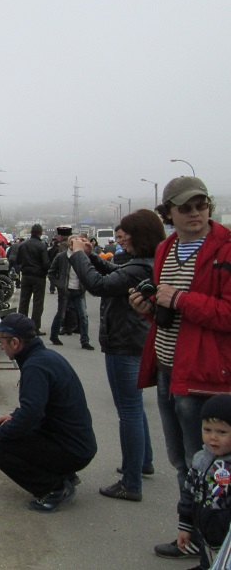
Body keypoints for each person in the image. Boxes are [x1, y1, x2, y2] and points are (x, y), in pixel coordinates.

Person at [130, 176, 231, 561]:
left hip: (204, 374)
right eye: (186, 207)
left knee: (205, 462)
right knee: (181, 462)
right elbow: (167, 312)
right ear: (168, 212)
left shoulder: (225, 249)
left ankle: (215, 547)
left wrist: (182, 299)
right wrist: (149, 309)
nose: (195, 213)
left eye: (201, 205)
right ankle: (191, 536)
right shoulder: (166, 249)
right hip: (168, 369)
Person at [69, 209, 167, 503]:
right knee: (134, 408)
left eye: (126, 234)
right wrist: (92, 256)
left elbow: (99, 286)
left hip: (124, 342)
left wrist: (77, 256)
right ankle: (142, 462)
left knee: (129, 411)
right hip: (133, 339)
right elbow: (116, 277)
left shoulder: (140, 266)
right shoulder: (146, 264)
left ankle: (131, 480)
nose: (122, 239)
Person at [0, 313, 97, 512]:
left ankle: (53, 488)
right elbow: (38, 409)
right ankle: (64, 474)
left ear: (15, 342)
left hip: (72, 449)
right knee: (8, 427)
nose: (0, 345)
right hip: (77, 443)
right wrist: (14, 417)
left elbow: (32, 415)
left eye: (1, 340)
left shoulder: (35, 366)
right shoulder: (44, 357)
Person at [176, 395, 231, 570]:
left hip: (226, 539)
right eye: (207, 430)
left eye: (222, 432)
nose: (213, 437)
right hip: (204, 534)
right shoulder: (201, 459)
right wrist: (185, 526)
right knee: (207, 561)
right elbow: (189, 492)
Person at [47, 240, 94, 351]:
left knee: (83, 316)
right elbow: (51, 272)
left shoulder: (82, 257)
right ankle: (54, 336)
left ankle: (85, 341)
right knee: (61, 314)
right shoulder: (61, 257)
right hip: (65, 290)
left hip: (79, 291)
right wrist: (58, 285)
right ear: (69, 244)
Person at [15, 224, 50, 335]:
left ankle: (21, 326)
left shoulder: (22, 245)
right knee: (38, 302)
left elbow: (18, 260)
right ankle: (34, 328)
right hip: (39, 276)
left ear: (31, 232)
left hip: (25, 275)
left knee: (24, 301)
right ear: (40, 232)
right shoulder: (42, 246)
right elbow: (46, 263)